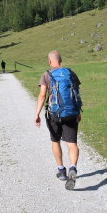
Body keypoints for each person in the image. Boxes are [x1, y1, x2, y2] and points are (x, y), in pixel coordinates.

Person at [35, 50, 82, 190]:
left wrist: (37, 114)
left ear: (50, 61)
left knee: (55, 140)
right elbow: (76, 93)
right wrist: (78, 111)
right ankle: (73, 167)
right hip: (71, 113)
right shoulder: (70, 73)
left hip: (54, 114)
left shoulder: (46, 75)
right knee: (72, 143)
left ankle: (61, 171)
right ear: (61, 60)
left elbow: (42, 95)